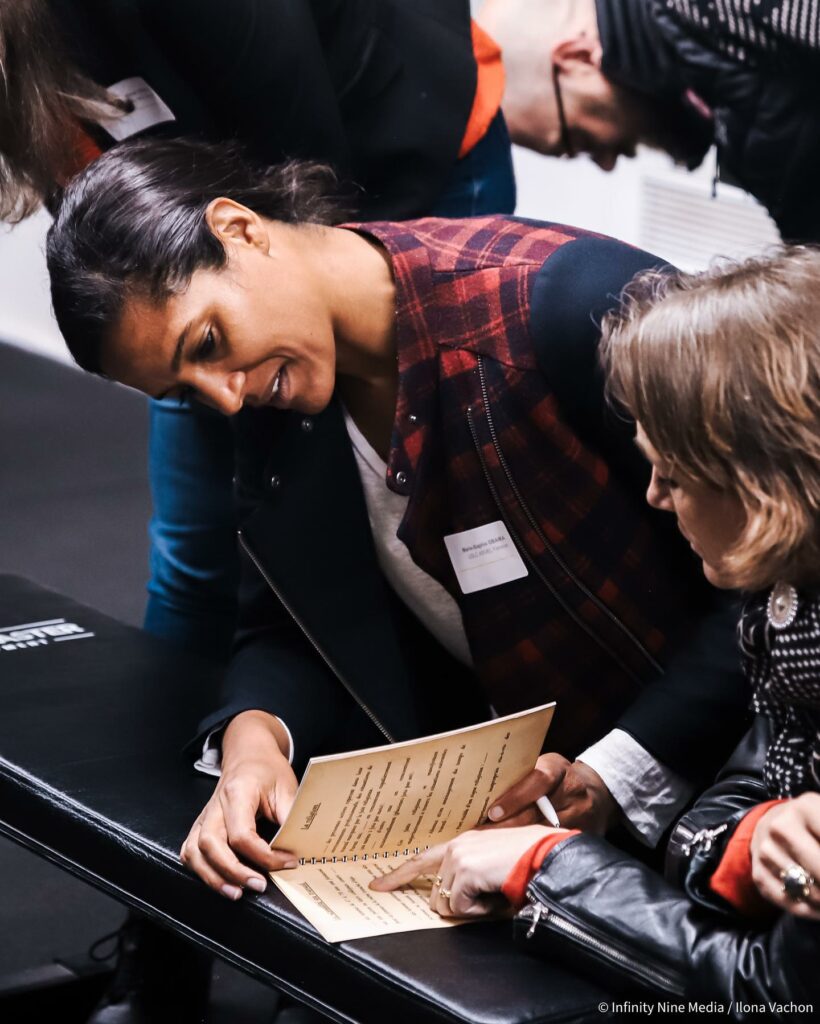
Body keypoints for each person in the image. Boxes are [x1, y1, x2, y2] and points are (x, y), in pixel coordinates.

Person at [45, 136, 750, 900]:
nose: (222, 395)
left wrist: (612, 775)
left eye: (208, 343)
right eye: (184, 390)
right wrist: (253, 738)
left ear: (241, 229)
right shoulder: (274, 399)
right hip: (509, 839)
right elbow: (288, 625)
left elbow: (781, 578)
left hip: (724, 805)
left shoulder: (570, 304)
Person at [1, 3, 514, 1017]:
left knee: (409, 541)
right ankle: (176, 922)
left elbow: (304, 193)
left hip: (385, 173)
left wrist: (291, 398)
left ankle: (394, 926)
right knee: (207, 560)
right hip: (202, 241)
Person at [374, 248, 820, 1015]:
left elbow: (773, 990)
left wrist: (543, 866)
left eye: (673, 476)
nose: (653, 496)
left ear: (761, 483)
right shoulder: (787, 589)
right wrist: (749, 848)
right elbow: (733, 806)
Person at [476, 0, 820, 241]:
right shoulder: (703, 88)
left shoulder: (709, 9)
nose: (607, 162)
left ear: (576, 57)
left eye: (578, 140)